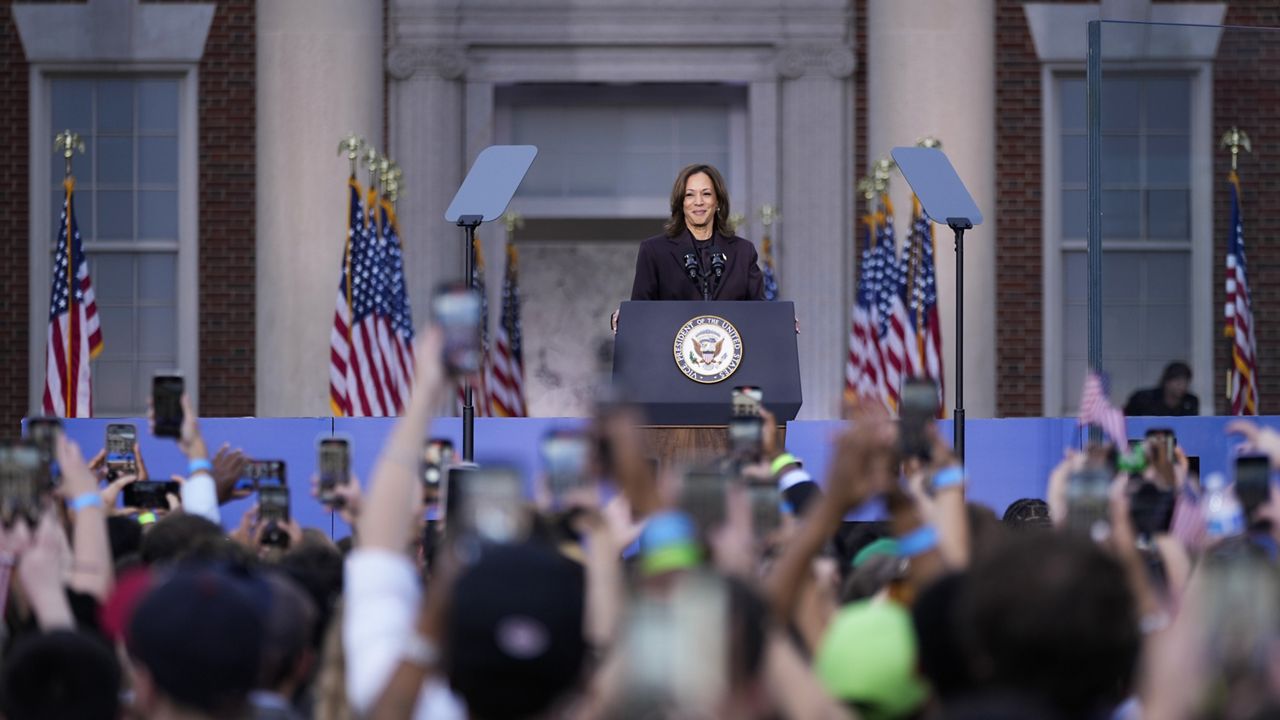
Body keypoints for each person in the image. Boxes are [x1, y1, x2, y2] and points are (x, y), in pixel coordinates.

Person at [612, 164, 763, 331]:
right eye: (690, 195)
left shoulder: (743, 252)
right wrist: (625, 316)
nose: (698, 202)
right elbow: (641, 311)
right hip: (669, 353)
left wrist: (782, 319)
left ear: (718, 201)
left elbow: (761, 312)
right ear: (681, 203)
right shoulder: (654, 251)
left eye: (706, 194)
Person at [1123, 362, 1199, 416]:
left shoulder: (1191, 401)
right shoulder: (1142, 398)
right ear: (1166, 381)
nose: (1182, 386)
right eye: (1178, 382)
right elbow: (1125, 421)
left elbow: (1191, 428)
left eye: (1186, 382)